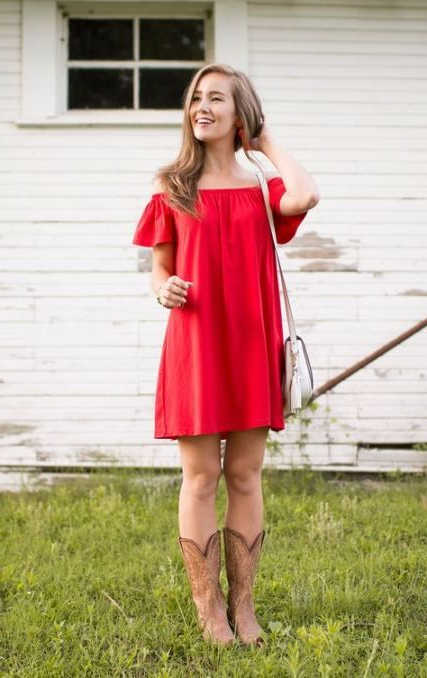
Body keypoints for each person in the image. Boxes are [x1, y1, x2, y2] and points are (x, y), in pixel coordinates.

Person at [132, 63, 320, 647]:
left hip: (251, 342)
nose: (201, 107)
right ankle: (209, 610)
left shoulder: (263, 193)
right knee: (200, 475)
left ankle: (244, 606)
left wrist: (263, 144)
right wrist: (163, 288)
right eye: (195, 98)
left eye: (216, 98)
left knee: (244, 474)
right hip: (197, 343)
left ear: (240, 113)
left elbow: (307, 194)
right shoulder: (173, 188)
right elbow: (160, 266)